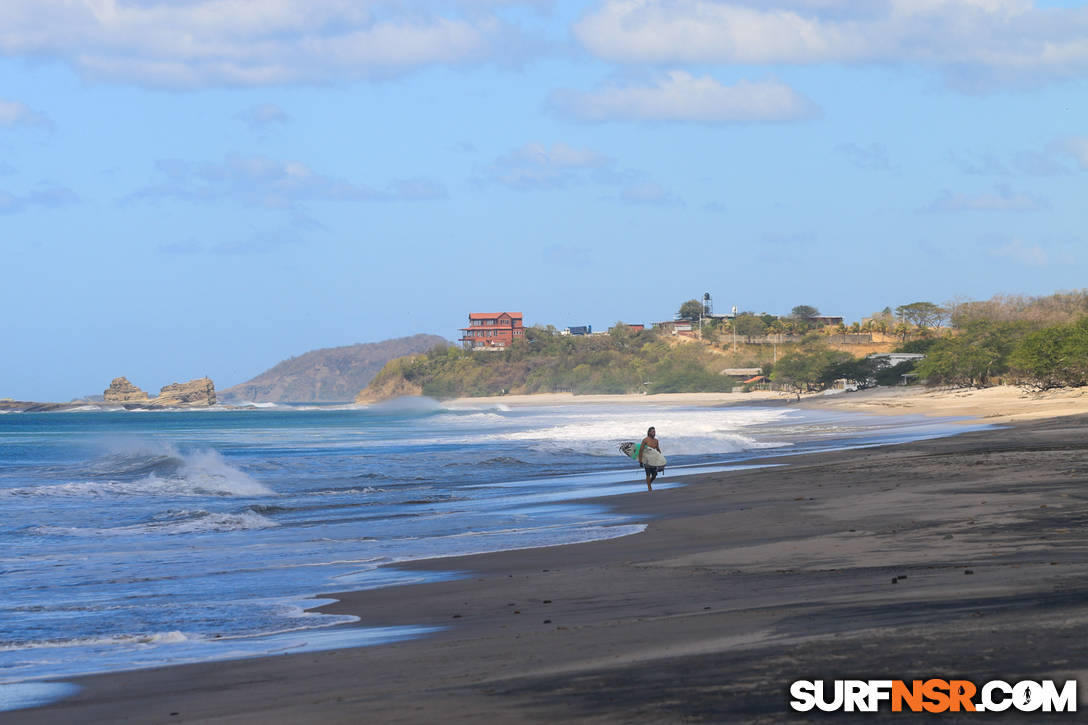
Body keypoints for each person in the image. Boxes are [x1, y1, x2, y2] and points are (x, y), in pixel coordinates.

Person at [638, 426, 662, 492]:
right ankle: (649, 487)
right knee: (648, 474)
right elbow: (641, 450)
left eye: (654, 432)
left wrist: (661, 459)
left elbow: (658, 450)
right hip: (646, 459)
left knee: (654, 475)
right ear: (649, 432)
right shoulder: (645, 440)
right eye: (652, 432)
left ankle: (649, 483)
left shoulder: (656, 441)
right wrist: (640, 461)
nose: (654, 433)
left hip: (653, 460)